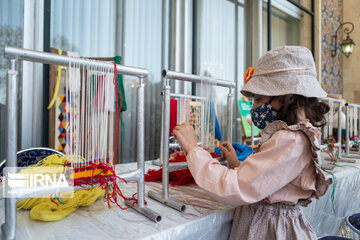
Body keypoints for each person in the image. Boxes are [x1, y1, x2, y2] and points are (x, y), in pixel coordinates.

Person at [173, 46, 332, 240]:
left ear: (288, 98)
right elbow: (268, 181)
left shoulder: (290, 140)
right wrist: (237, 165)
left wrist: (192, 148)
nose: (254, 107)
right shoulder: (290, 136)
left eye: (259, 99)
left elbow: (235, 188)